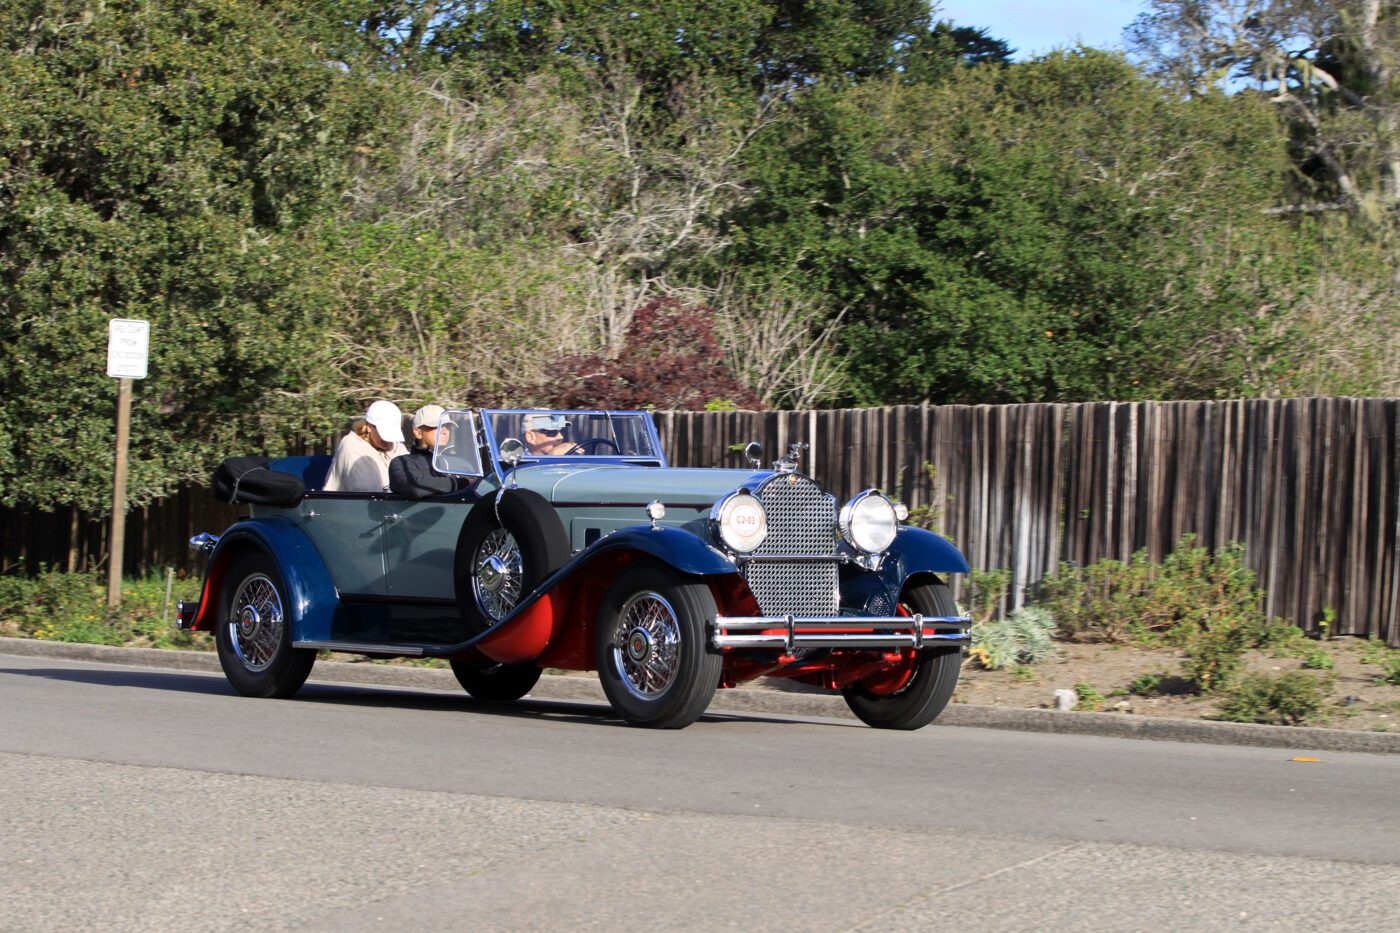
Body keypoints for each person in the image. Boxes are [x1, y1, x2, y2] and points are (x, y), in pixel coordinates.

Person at [322, 400, 408, 492]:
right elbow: (366, 489)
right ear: (369, 427)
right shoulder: (351, 446)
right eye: (385, 435)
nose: (389, 440)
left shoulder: (397, 447)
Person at [389, 404, 468, 499]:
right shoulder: (403, 462)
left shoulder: (462, 463)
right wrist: (464, 483)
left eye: (447, 426)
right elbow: (415, 486)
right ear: (418, 433)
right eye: (437, 426)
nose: (444, 431)